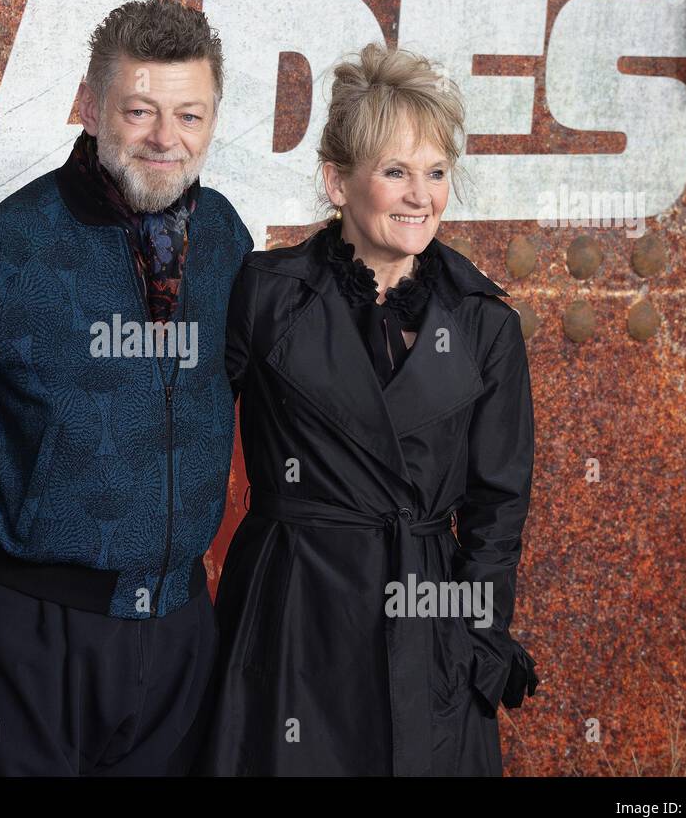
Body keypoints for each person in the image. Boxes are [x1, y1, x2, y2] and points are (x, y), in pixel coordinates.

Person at [196, 43, 539, 776]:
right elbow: (174, 420)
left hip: (427, 627)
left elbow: (497, 512)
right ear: (337, 181)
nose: (421, 195)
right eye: (395, 172)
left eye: (436, 172)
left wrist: (474, 643)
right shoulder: (266, 294)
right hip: (292, 613)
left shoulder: (485, 326)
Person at [0, 0, 253, 775]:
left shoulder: (226, 238)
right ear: (88, 104)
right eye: (139, 110)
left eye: (190, 115)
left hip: (179, 623)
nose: (165, 139)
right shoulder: (0, 248)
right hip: (29, 627)